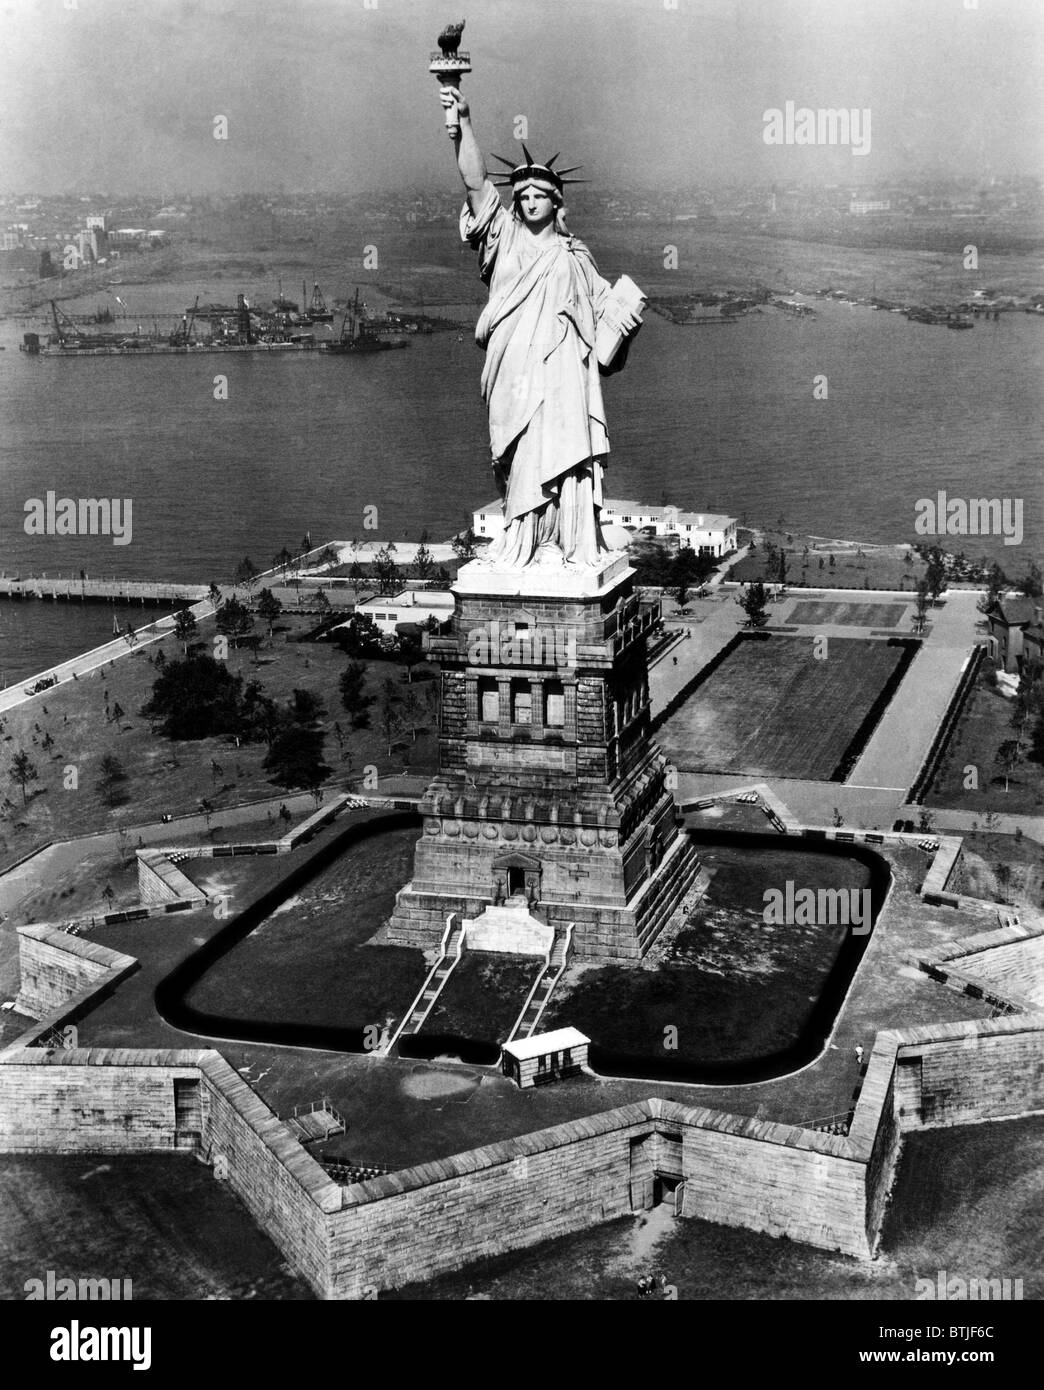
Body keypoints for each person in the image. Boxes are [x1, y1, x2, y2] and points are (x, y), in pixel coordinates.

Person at [439, 84, 642, 568]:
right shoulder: (503, 238)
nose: (529, 202)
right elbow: (474, 184)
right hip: (513, 370)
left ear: (556, 202)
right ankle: (522, 537)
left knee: (562, 452)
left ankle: (564, 541)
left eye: (538, 195)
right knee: (519, 455)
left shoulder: (575, 257)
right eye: (522, 195)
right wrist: (463, 122)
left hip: (563, 378)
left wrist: (625, 321)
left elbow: (605, 333)